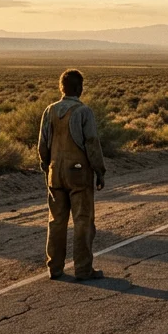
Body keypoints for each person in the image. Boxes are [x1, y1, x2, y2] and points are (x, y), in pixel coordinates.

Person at [36, 69, 108, 280]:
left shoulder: (49, 111)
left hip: (55, 173)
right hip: (79, 174)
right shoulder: (83, 112)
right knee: (82, 221)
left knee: (56, 221)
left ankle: (55, 268)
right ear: (79, 88)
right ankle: (83, 269)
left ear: (62, 88)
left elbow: (42, 146)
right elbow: (92, 144)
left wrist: (47, 167)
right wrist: (100, 171)